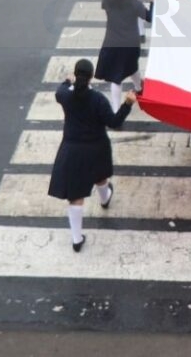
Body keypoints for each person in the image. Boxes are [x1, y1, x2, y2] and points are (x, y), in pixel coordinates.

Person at [47, 58, 135, 253]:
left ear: (76, 74)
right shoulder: (98, 99)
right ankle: (105, 199)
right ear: (91, 76)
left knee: (76, 196)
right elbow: (114, 121)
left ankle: (77, 239)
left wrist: (67, 81)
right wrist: (127, 104)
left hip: (73, 150)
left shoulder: (65, 96)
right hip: (96, 147)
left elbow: (59, 91)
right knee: (100, 177)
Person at [96, 0, 152, 111]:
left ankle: (115, 111)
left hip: (112, 43)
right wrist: (153, 1)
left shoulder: (106, 1)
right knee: (131, 66)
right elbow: (150, 17)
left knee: (117, 77)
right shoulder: (135, 4)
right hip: (131, 44)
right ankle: (139, 88)